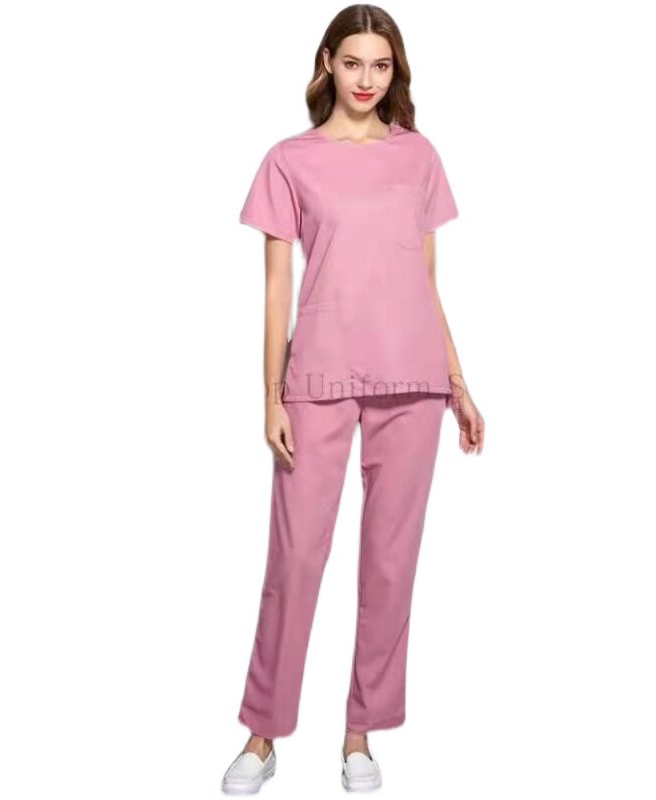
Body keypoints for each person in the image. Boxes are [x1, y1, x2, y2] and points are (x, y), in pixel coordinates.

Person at [222, 4, 484, 794]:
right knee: (296, 557)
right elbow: (276, 291)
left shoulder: (419, 157)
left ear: (394, 71)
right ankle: (263, 733)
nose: (367, 79)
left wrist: (459, 383)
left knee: (390, 564)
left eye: (381, 65)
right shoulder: (289, 161)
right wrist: (270, 395)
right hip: (319, 379)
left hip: (414, 379)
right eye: (353, 63)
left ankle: (360, 734)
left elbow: (425, 280)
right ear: (327, 64)